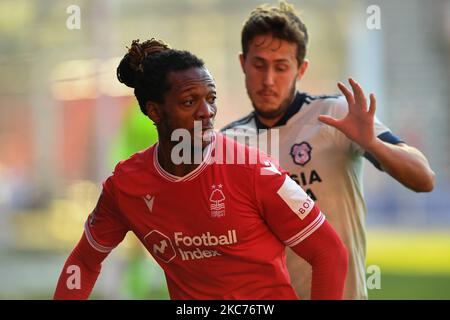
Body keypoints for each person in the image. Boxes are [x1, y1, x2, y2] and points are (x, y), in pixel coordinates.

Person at [53, 38, 348, 300]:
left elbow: (329, 253)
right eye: (189, 101)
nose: (206, 111)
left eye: (211, 98)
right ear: (154, 111)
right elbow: (84, 260)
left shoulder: (253, 170)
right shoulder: (125, 185)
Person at [222, 1, 435, 300]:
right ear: (243, 63)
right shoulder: (228, 143)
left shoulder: (335, 115)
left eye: (281, 67)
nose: (268, 80)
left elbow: (424, 178)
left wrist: (372, 142)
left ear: (301, 68)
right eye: (259, 65)